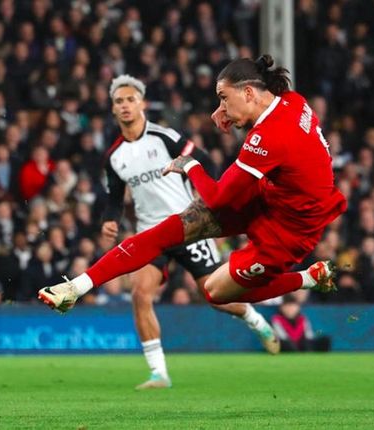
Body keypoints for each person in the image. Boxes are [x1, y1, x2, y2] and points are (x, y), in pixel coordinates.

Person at [39, 55, 346, 314]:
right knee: (164, 232)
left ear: (249, 92)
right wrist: (237, 117)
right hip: (273, 195)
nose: (221, 108)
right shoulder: (292, 101)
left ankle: (308, 277)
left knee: (216, 292)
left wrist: (190, 164)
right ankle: (75, 287)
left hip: (292, 228)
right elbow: (279, 146)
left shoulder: (269, 137)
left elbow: (217, 198)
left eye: (224, 98)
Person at [93, 75, 280, 389]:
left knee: (215, 295)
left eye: (130, 99)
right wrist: (109, 219)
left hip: (186, 227)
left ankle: (252, 317)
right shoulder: (114, 155)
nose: (125, 106)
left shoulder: (164, 137)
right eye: (119, 102)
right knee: (140, 293)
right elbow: (114, 196)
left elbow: (201, 158)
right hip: (150, 235)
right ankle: (159, 373)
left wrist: (208, 195)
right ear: (113, 109)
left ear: (142, 104)